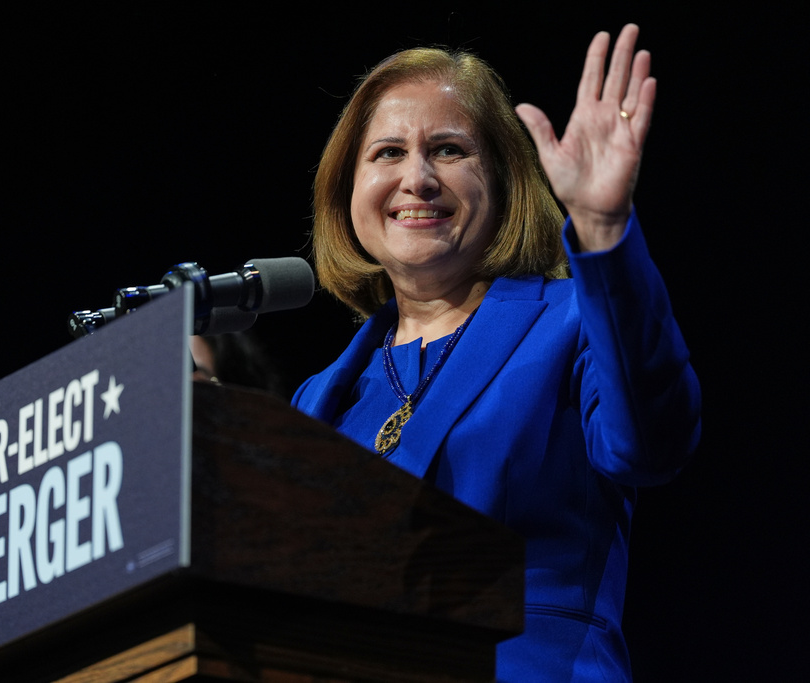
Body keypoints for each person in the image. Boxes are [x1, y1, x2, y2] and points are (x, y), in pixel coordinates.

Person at [291, 24, 701, 681]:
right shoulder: (318, 398)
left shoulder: (572, 321)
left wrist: (601, 230)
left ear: (503, 182)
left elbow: (653, 442)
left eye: (448, 149)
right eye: (388, 152)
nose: (416, 178)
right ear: (347, 188)